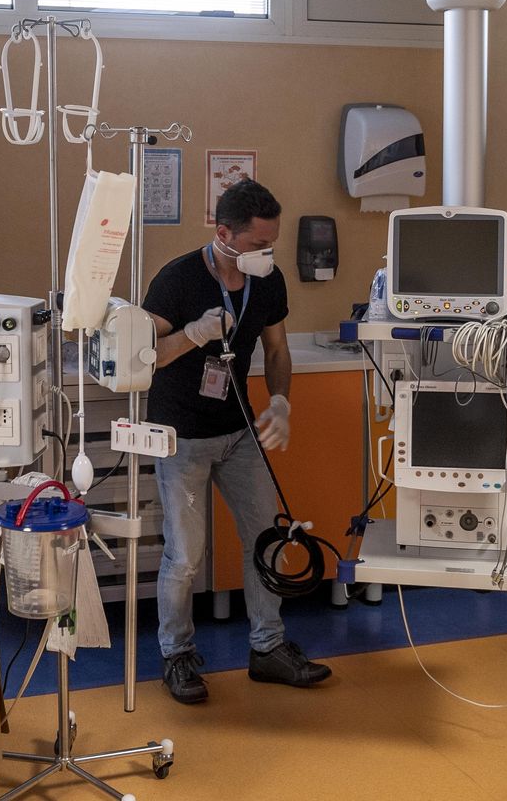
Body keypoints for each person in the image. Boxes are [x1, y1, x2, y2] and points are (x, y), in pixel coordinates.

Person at [142, 178, 332, 705]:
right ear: (223, 234)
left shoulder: (267, 282)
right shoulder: (176, 280)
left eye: (271, 245)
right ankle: (176, 655)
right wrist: (194, 335)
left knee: (264, 541)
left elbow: (277, 350)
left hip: (240, 431)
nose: (265, 254)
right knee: (185, 557)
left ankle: (268, 647)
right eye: (256, 245)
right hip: (180, 435)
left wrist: (280, 402)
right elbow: (145, 357)